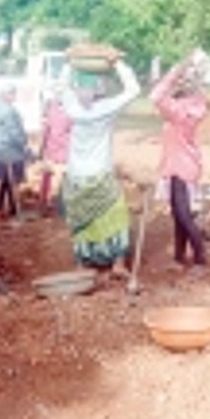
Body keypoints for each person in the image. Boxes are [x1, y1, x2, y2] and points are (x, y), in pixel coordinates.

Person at [60, 59, 142, 281]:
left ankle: (83, 262)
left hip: (76, 175)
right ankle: (118, 262)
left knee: (82, 219)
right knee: (115, 215)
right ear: (99, 91)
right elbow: (134, 90)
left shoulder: (72, 108)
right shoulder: (106, 108)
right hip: (100, 174)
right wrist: (119, 64)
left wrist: (71, 63)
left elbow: (62, 86)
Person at [151, 51, 210, 272]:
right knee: (178, 215)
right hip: (181, 166)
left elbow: (156, 96)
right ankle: (179, 257)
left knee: (183, 215)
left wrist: (176, 70)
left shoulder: (178, 112)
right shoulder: (194, 106)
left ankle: (200, 258)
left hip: (181, 168)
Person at [0, 85, 29, 218]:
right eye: (12, 93)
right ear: (5, 94)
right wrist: (24, 145)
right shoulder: (8, 111)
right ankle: (14, 208)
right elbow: (14, 133)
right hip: (10, 148)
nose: (14, 96)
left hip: (1, 148)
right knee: (13, 179)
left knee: (6, 178)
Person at [37, 83, 72, 215]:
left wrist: (41, 150)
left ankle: (43, 204)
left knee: (47, 178)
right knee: (65, 179)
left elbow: (45, 132)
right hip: (65, 152)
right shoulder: (71, 112)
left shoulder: (51, 110)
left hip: (51, 150)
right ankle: (61, 207)